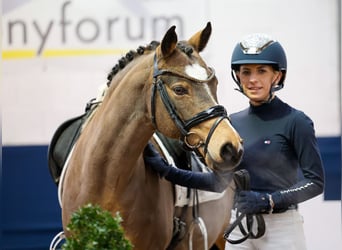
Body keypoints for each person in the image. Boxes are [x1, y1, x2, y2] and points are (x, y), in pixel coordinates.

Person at [143, 33, 325, 250]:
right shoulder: (232, 123)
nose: (252, 79)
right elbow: (219, 182)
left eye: (261, 71)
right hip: (240, 227)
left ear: (277, 76)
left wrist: (269, 200)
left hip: (282, 229)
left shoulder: (296, 121)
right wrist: (167, 171)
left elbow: (315, 182)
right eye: (245, 72)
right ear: (238, 76)